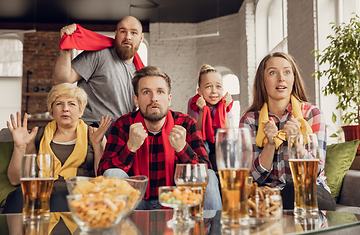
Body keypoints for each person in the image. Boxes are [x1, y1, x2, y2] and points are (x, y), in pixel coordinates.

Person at [98, 66, 222, 210]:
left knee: (208, 175)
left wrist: (183, 149)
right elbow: (103, 173)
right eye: (146, 92)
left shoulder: (186, 123)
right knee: (112, 174)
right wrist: (130, 147)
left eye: (160, 92)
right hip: (135, 203)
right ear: (136, 100)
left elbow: (206, 171)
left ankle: (213, 229)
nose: (154, 98)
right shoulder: (123, 124)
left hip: (177, 201)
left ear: (169, 99)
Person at [239, 52, 336, 211]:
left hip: (310, 191)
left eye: (286, 72)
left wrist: (297, 143)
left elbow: (316, 170)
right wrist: (270, 144)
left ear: (293, 79)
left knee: (298, 190)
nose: (281, 78)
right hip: (268, 196)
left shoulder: (312, 114)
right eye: (272, 72)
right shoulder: (249, 120)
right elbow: (252, 177)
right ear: (262, 82)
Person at [2, 83, 112, 213]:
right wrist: (19, 147)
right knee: (17, 196)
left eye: (72, 104)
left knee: (59, 199)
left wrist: (97, 145)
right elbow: (15, 179)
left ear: (81, 111)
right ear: (51, 111)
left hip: (80, 196)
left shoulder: (95, 134)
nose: (65, 108)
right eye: (59, 103)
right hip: (42, 195)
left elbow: (103, 179)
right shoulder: (38, 135)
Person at [53, 16, 144, 127]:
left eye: (133, 33)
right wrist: (65, 46)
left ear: (141, 38)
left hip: (122, 131)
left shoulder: (140, 71)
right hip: (93, 128)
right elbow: (62, 79)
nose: (127, 37)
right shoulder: (100, 54)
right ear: (116, 34)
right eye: (123, 31)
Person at [187, 64, 233, 171]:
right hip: (202, 139)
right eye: (208, 86)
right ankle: (206, 171)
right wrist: (202, 110)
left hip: (219, 139)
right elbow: (196, 132)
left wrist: (225, 108)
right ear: (199, 91)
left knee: (230, 145)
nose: (214, 91)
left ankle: (228, 173)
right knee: (202, 147)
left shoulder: (225, 102)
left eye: (218, 86)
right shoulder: (193, 102)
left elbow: (226, 131)